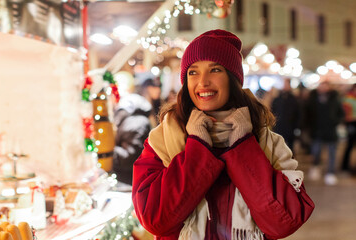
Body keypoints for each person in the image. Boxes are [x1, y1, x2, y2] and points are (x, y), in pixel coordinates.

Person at [132, 30, 314, 240]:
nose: (203, 82)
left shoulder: (266, 141)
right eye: (193, 72)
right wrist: (198, 146)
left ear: (232, 78)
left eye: (215, 70)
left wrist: (243, 146)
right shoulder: (161, 140)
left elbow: (284, 222)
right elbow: (155, 219)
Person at [306, 80, 344, 185]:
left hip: (330, 131)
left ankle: (330, 173)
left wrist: (334, 121)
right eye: (321, 86)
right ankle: (315, 167)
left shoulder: (335, 98)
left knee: (332, 153)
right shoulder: (312, 98)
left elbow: (341, 113)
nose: (323, 88)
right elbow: (307, 113)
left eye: (325, 86)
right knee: (316, 152)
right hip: (317, 130)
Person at [112, 93, 152, 185]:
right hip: (132, 179)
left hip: (129, 180)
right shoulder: (139, 121)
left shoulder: (135, 123)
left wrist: (109, 151)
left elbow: (130, 157)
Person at [271, 77, 300, 153]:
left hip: (290, 126)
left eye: (286, 84)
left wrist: (297, 126)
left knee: (290, 147)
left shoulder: (294, 99)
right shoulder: (277, 98)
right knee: (279, 147)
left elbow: (297, 113)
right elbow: (273, 110)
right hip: (279, 126)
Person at [341, 83, 356, 173]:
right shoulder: (348, 98)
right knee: (350, 145)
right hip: (351, 123)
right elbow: (345, 113)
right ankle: (345, 166)